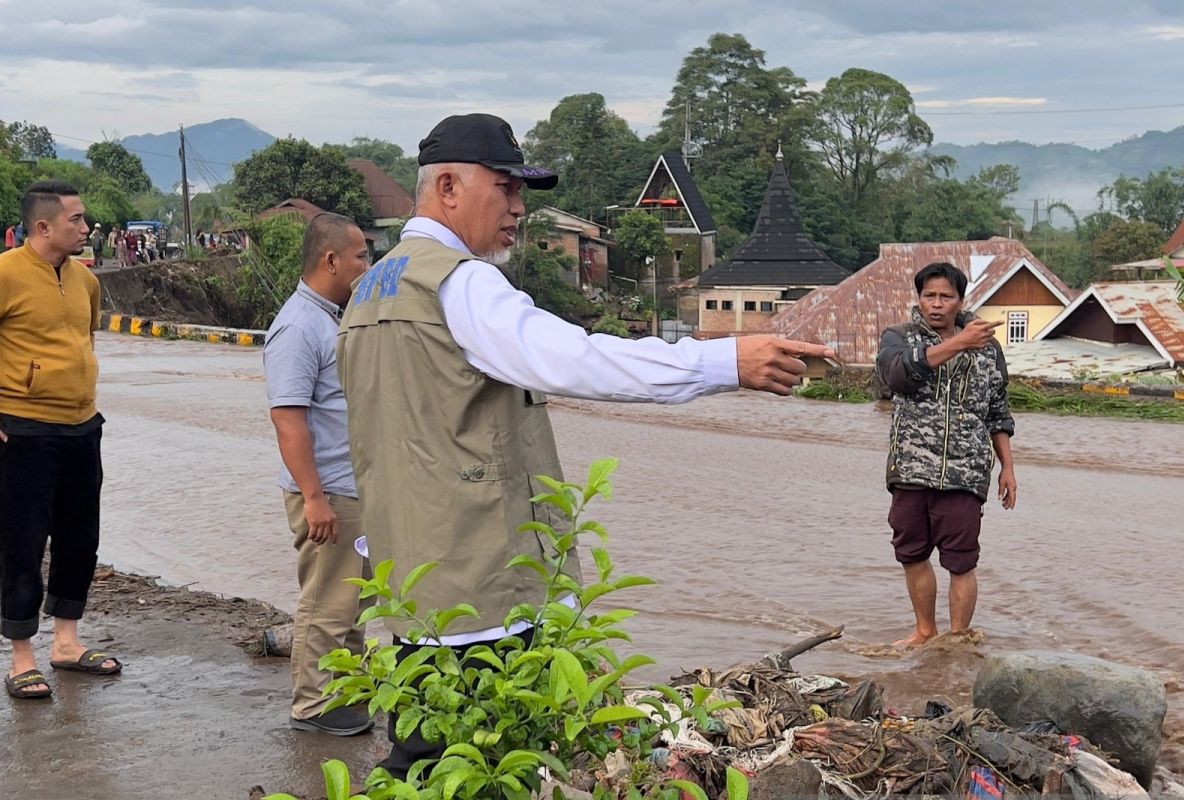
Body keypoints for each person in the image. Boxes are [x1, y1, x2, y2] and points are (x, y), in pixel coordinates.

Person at [336, 113, 836, 776]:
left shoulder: (371, 288)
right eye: (506, 187)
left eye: (523, 192)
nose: (519, 208)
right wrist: (722, 363)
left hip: (412, 586)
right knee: (486, 767)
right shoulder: (463, 283)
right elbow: (578, 359)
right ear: (448, 187)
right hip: (481, 591)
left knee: (428, 757)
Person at [0, 181, 117, 700]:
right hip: (23, 429)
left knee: (79, 537)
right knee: (21, 543)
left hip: (82, 425)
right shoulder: (5, 275)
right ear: (43, 226)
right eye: (76, 219)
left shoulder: (85, 281)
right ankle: (22, 656)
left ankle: (66, 643)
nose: (85, 227)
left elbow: (84, 340)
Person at [264, 213, 374, 736]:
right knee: (327, 602)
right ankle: (312, 705)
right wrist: (314, 498)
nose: (366, 265)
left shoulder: (332, 317)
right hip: (326, 489)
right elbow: (289, 419)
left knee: (351, 603)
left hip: (349, 487)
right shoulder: (297, 326)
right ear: (331, 260)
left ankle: (344, 696)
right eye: (361, 256)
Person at [875, 261, 1017, 649]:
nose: (936, 304)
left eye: (945, 297)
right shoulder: (898, 337)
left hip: (965, 472)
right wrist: (958, 343)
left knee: (961, 561)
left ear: (960, 301)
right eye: (929, 296)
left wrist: (1007, 467)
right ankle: (925, 631)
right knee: (912, 553)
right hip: (911, 467)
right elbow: (897, 376)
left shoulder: (988, 349)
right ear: (918, 299)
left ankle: (957, 639)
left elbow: (997, 410)